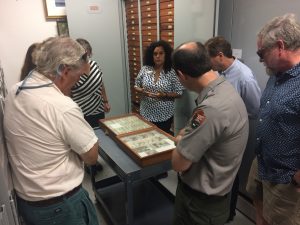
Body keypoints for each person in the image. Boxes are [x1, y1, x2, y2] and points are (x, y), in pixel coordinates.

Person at [4, 36, 100, 225]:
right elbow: (91, 156)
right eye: (79, 76)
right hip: (61, 206)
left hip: (30, 202)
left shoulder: (15, 90)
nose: (77, 82)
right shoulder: (61, 106)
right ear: (63, 70)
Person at [171, 41, 249, 225]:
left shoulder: (210, 109)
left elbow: (178, 163)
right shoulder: (225, 89)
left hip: (199, 205)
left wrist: (181, 138)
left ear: (181, 75)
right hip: (217, 196)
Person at [246, 13, 300, 225]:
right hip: (262, 163)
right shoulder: (276, 74)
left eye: (262, 52)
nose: (260, 59)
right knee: (259, 210)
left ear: (280, 46)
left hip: (286, 178)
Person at [205, 36, 261, 222]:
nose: (208, 63)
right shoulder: (221, 71)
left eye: (209, 58)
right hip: (219, 130)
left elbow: (255, 108)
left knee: (231, 172)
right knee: (218, 169)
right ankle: (216, 208)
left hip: (234, 131)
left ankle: (228, 213)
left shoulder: (244, 76)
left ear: (220, 55)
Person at [134, 40, 184, 135]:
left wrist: (164, 94)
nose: (158, 56)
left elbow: (179, 92)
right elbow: (136, 85)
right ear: (151, 56)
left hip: (164, 115)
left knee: (162, 138)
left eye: (161, 53)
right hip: (146, 112)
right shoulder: (145, 69)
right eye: (155, 54)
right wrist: (142, 91)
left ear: (166, 55)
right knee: (147, 136)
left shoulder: (172, 72)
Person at [71, 38, 110, 128]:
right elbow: (67, 93)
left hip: (98, 109)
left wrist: (105, 101)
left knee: (101, 134)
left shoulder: (94, 65)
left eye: (87, 55)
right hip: (81, 112)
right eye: (82, 57)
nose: (85, 59)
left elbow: (101, 84)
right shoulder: (72, 70)